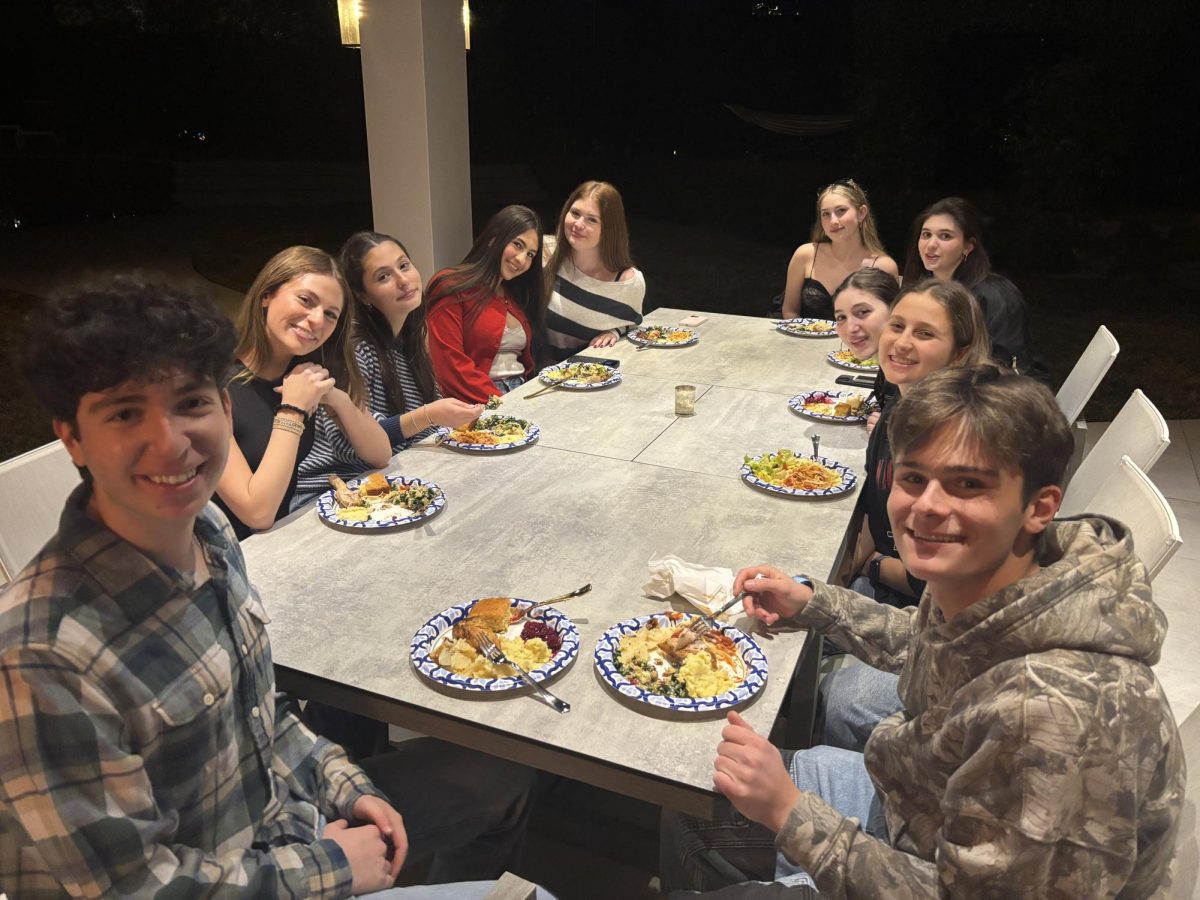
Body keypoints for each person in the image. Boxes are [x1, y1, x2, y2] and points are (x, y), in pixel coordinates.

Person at [1, 279, 548, 898]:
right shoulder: (40, 656)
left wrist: (348, 785)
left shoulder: (206, 531)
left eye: (191, 404)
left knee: (501, 780)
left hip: (281, 826)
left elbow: (260, 713)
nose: (171, 441)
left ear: (225, 410)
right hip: (227, 876)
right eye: (126, 413)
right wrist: (330, 871)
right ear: (72, 436)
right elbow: (131, 888)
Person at [662, 366, 1185, 897]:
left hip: (942, 867)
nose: (929, 506)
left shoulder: (1057, 715)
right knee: (692, 803)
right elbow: (929, 641)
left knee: (713, 819)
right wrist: (814, 602)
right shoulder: (1001, 573)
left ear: (1039, 506)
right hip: (921, 809)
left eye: (968, 484)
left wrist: (789, 812)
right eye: (914, 478)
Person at [293, 232, 483, 508]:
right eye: (383, 277)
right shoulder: (356, 347)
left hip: (389, 479)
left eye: (404, 266)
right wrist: (430, 414)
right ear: (362, 295)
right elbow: (361, 442)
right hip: (333, 491)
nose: (403, 280)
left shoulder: (409, 337)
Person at [215, 245, 391, 539]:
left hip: (279, 547)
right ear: (266, 296)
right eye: (306, 300)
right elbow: (257, 513)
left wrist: (336, 398)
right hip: (219, 561)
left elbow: (380, 454)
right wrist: (293, 410)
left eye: (331, 314)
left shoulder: (304, 374)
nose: (317, 321)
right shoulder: (211, 385)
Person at [901, 196, 1046, 378]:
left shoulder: (997, 296)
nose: (931, 245)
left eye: (945, 236)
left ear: (968, 246)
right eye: (926, 234)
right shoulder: (919, 289)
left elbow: (1004, 369)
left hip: (989, 397)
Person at [427, 205, 547, 403]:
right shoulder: (451, 285)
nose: (522, 260)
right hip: (479, 401)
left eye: (530, 255)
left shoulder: (515, 295)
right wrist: (500, 404)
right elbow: (449, 365)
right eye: (518, 245)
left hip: (522, 392)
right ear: (494, 238)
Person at [543, 180, 646, 359]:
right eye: (575, 213)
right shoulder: (545, 254)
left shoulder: (629, 283)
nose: (578, 224)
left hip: (590, 378)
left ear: (609, 229)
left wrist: (616, 331)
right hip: (534, 377)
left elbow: (634, 325)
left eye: (592, 219)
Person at [780, 179, 898, 321]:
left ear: (861, 213)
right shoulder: (805, 255)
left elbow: (890, 322)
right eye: (826, 214)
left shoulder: (883, 266)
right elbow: (790, 311)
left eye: (841, 211)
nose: (833, 221)